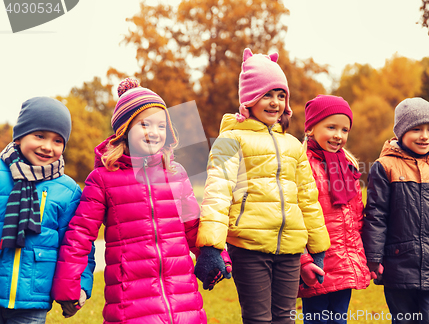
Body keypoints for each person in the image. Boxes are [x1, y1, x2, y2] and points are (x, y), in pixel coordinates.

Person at [51, 78, 212, 324]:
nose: (154, 132)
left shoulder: (176, 173)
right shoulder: (103, 179)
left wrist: (213, 256)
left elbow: (193, 227)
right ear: (125, 129)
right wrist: (70, 284)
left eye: (161, 125)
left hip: (183, 301)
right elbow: (80, 234)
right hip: (131, 303)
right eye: (144, 124)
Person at [194, 48, 330, 324]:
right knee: (258, 319)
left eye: (281, 96)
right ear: (249, 99)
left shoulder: (293, 145)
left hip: (290, 250)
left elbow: (307, 198)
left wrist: (318, 248)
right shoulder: (232, 140)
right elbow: (218, 193)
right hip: (249, 247)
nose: (275, 103)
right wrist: (210, 247)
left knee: (285, 319)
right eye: (267, 95)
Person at [362, 97, 429, 324]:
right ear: (401, 132)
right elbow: (376, 217)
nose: (425, 136)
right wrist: (373, 258)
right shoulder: (384, 167)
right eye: (416, 129)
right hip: (398, 265)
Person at [0, 97, 95, 323]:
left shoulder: (68, 191)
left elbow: (78, 244)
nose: (47, 146)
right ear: (20, 135)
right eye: (39, 135)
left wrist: (80, 286)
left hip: (33, 299)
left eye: (57, 140)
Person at [298, 95, 371, 324]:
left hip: (343, 262)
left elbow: (356, 216)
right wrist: (303, 260)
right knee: (317, 320)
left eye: (344, 129)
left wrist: (360, 255)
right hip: (317, 263)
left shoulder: (347, 165)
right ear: (311, 127)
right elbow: (294, 219)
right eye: (331, 127)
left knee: (339, 320)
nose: (338, 135)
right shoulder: (301, 165)